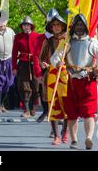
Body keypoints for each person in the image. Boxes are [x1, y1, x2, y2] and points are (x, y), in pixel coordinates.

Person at [51, 13, 98, 150]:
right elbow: (54, 58)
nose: (79, 27)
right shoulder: (66, 43)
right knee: (72, 114)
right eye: (77, 25)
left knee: (89, 112)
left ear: (85, 27)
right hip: (70, 82)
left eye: (81, 25)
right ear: (73, 27)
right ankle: (74, 140)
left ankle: (89, 137)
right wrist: (58, 64)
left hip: (88, 81)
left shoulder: (92, 42)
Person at [39, 9, 69, 145]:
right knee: (52, 104)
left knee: (66, 104)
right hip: (50, 75)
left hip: (66, 75)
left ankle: (65, 132)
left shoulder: (68, 40)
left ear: (63, 26)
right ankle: (56, 135)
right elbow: (41, 59)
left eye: (58, 25)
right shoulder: (48, 41)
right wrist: (43, 63)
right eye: (53, 25)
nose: (56, 27)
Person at [11, 16, 45, 117]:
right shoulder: (18, 37)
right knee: (24, 86)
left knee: (35, 86)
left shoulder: (38, 36)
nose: (26, 27)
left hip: (35, 64)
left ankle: (33, 108)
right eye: (24, 25)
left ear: (31, 26)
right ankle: (26, 110)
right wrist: (14, 67)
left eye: (28, 25)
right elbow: (14, 53)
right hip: (23, 63)